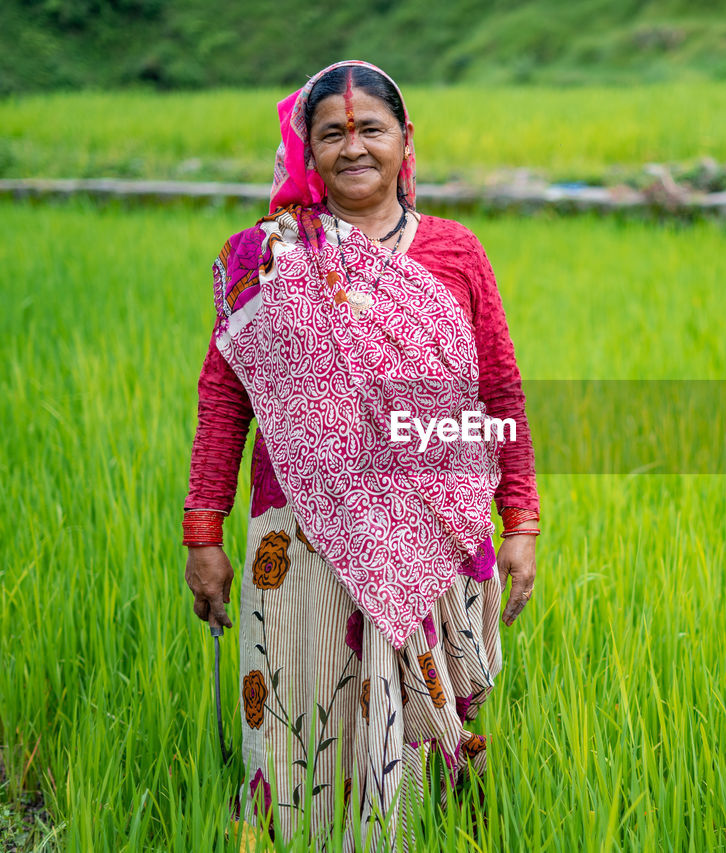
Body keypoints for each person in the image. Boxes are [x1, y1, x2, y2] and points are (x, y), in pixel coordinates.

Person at [181, 59, 539, 851]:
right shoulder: (265, 262)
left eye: (370, 128)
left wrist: (522, 519)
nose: (353, 146)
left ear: (405, 141)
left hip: (431, 533)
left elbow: (501, 393)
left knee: (423, 720)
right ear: (306, 147)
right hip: (298, 540)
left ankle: (422, 833)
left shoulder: (455, 252)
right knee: (302, 703)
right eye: (333, 132)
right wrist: (202, 531)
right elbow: (223, 398)